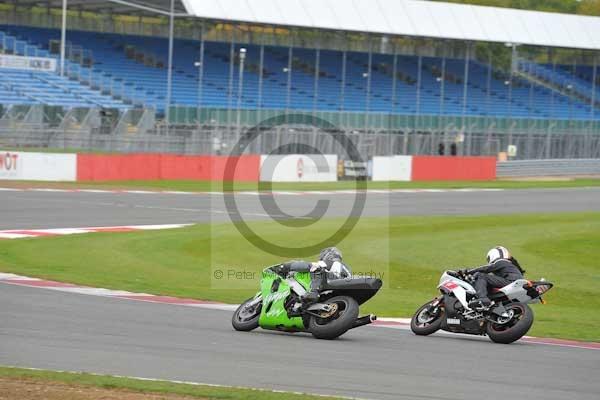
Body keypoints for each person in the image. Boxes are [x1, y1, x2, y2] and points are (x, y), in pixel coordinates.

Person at [276, 247, 351, 304]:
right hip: (344, 290)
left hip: (334, 281)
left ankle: (313, 292)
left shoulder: (331, 262)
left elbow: (310, 266)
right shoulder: (346, 267)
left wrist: (286, 266)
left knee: (315, 268)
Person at [460, 246, 525, 310]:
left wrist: (468, 271)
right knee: (487, 281)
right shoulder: (510, 265)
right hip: (513, 283)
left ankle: (482, 298)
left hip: (510, 281)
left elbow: (486, 268)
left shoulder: (501, 261)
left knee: (481, 275)